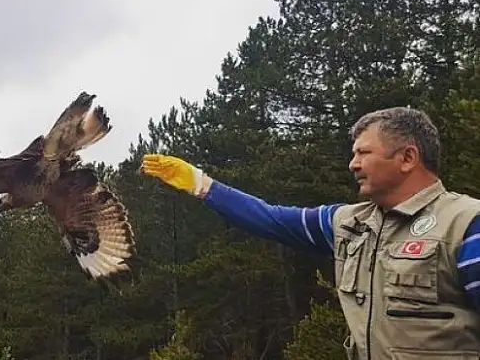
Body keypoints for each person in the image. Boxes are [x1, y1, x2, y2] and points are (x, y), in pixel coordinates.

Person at [139, 107, 480, 360]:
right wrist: (201, 185)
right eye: (353, 154)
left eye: (364, 153)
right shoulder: (348, 223)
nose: (353, 164)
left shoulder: (465, 224)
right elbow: (269, 219)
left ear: (407, 158)